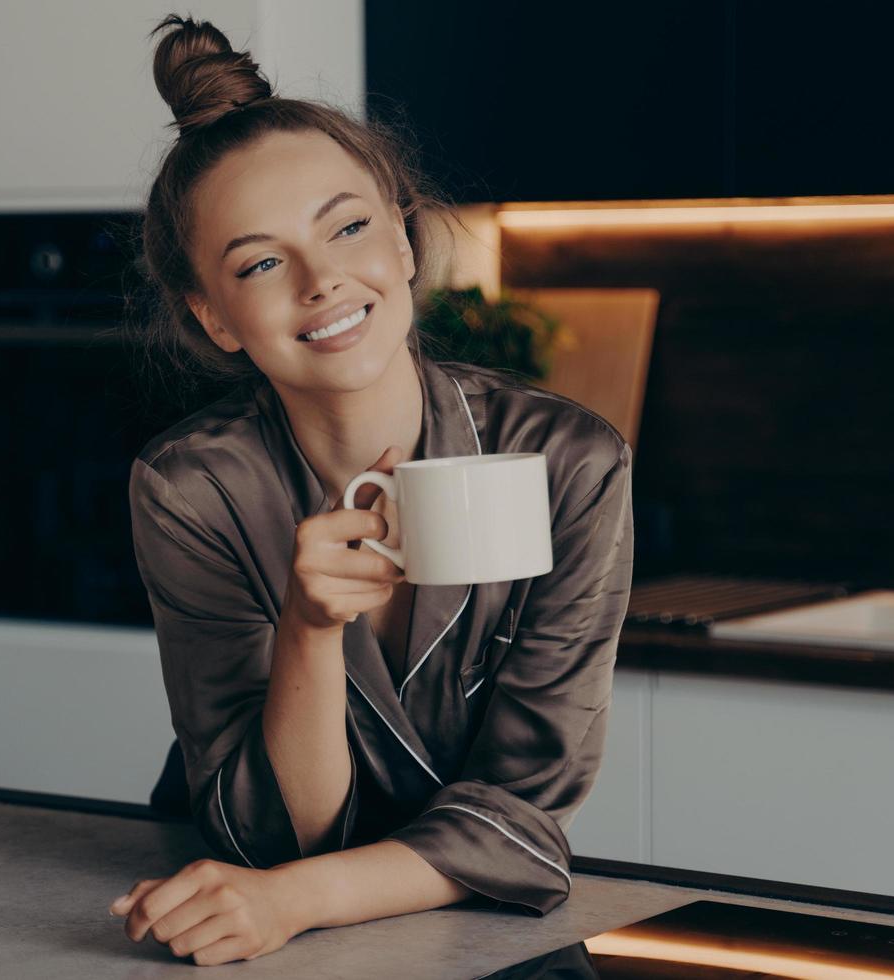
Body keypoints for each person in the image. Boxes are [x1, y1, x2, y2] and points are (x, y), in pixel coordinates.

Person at [108, 14, 634, 966]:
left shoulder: (570, 462)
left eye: (348, 227)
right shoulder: (192, 490)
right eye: (260, 262)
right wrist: (308, 628)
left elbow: (524, 813)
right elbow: (264, 836)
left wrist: (295, 904)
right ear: (214, 317)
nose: (322, 280)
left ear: (401, 237)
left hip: (449, 939)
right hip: (241, 921)